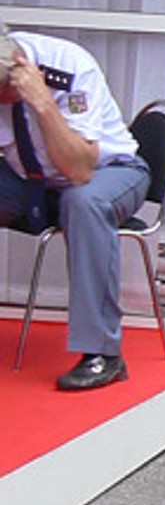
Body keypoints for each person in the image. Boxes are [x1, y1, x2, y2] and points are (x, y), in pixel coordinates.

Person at [1, 29, 150, 390]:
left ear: (18, 69)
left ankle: (103, 354)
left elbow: (79, 170)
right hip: (30, 183)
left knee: (83, 202)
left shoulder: (70, 65)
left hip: (107, 174)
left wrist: (43, 104)